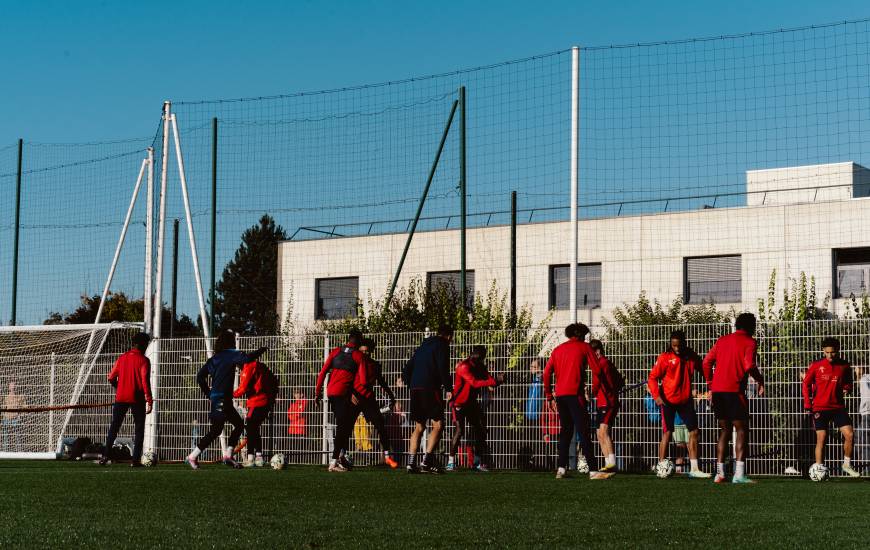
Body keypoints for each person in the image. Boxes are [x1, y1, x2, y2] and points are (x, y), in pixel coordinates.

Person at [186, 329, 267, 469]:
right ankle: (193, 456)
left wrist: (208, 393)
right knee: (217, 429)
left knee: (238, 425)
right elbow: (247, 359)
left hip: (220, 399)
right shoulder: (231, 354)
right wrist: (260, 350)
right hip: (223, 399)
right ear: (230, 342)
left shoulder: (214, 359)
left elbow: (200, 377)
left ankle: (228, 455)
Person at [543, 323, 613, 480]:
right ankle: (593, 470)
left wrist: (549, 396)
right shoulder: (585, 347)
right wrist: (596, 390)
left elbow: (546, 373)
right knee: (583, 432)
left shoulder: (558, 350)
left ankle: (561, 469)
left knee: (566, 431)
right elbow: (597, 370)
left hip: (560, 396)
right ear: (581, 335)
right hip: (576, 395)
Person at [703, 313, 765, 483]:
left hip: (717, 392)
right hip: (734, 391)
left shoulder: (722, 340)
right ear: (752, 327)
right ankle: (739, 474)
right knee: (742, 429)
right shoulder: (750, 342)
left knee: (724, 431)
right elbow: (749, 365)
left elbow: (706, 362)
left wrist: (710, 383)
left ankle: (720, 473)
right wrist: (760, 380)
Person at [648, 330, 711, 478]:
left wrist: (711, 384)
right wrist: (656, 395)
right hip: (667, 400)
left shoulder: (690, 356)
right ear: (671, 344)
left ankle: (694, 469)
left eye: (679, 345)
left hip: (685, 401)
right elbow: (652, 378)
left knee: (694, 431)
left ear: (684, 343)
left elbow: (703, 368)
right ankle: (661, 466)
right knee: (667, 433)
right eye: (674, 345)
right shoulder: (664, 357)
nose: (676, 348)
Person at [802, 337, 860, 478]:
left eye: (832, 352)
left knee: (849, 435)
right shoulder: (816, 365)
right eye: (827, 352)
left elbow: (848, 383)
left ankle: (846, 465)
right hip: (820, 408)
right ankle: (819, 469)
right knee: (822, 437)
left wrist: (848, 388)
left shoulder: (845, 366)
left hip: (838, 407)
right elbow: (805, 384)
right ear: (823, 351)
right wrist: (807, 403)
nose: (829, 356)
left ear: (837, 351)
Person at [402, 324, 453, 474]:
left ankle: (411, 463)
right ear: (449, 337)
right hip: (430, 388)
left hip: (415, 388)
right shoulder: (442, 345)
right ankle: (427, 462)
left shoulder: (423, 345)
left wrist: (408, 381)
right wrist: (449, 388)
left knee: (419, 426)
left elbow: (408, 367)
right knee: (438, 425)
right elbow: (443, 367)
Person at [314, 329, 366, 472]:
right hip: (343, 395)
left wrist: (317, 393)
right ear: (359, 341)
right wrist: (353, 392)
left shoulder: (336, 351)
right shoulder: (358, 355)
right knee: (344, 427)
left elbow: (323, 371)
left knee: (344, 426)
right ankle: (334, 462)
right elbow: (363, 380)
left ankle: (341, 457)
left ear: (348, 339)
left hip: (331, 393)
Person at [447, 345, 505, 472]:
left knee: (480, 430)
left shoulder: (480, 366)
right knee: (459, 430)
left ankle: (477, 463)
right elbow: (474, 382)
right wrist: (494, 381)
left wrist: (497, 381)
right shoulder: (463, 366)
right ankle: (450, 462)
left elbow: (488, 379)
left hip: (471, 403)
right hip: (459, 404)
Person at [99, 332, 153, 467]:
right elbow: (145, 382)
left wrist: (120, 387)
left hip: (121, 397)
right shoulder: (144, 360)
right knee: (139, 429)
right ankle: (135, 461)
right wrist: (149, 401)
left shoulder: (122, 358)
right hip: (137, 398)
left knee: (114, 427)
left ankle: (105, 456)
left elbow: (111, 377)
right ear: (143, 344)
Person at [351, 338, 399, 468]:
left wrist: (391, 395)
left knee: (380, 426)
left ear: (371, 351)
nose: (365, 353)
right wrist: (350, 394)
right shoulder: (354, 363)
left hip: (368, 398)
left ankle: (387, 457)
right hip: (355, 397)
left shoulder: (375, 365)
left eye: (367, 351)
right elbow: (347, 379)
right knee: (346, 426)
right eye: (362, 351)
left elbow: (382, 382)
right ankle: (341, 456)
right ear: (359, 351)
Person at [233, 360, 277, 467]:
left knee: (251, 430)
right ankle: (259, 457)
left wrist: (231, 394)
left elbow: (242, 388)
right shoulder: (258, 366)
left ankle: (250, 458)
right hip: (265, 401)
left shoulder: (247, 368)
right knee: (255, 429)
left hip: (256, 401)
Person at [589, 339, 620, 472]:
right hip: (602, 401)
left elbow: (596, 383)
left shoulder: (602, 363)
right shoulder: (605, 363)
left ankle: (612, 463)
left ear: (597, 351)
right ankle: (607, 462)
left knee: (603, 431)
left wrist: (592, 392)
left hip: (608, 402)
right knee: (599, 433)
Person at [1, 381, 26, 452]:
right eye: (11, 385)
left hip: (16, 419)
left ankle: (19, 451)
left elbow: (25, 407)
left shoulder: (20, 397)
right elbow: (3, 407)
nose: (13, 387)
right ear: (9, 387)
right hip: (6, 419)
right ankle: (5, 451)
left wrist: (20, 415)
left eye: (14, 385)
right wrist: (3, 416)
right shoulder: (5, 397)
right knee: (6, 436)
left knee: (18, 436)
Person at [287, 389, 307, 458]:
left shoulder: (305, 402)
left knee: (300, 448)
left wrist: (294, 415)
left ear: (302, 394)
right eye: (295, 393)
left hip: (300, 429)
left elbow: (301, 412)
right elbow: (289, 415)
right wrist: (295, 415)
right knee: (292, 448)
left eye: (298, 393)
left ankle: (299, 460)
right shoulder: (293, 404)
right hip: (293, 429)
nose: (296, 395)